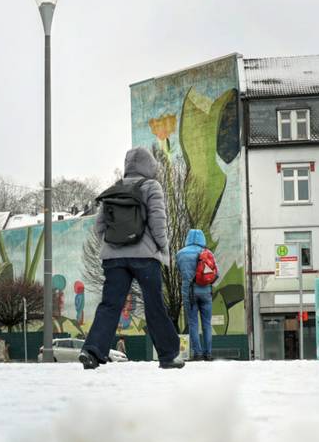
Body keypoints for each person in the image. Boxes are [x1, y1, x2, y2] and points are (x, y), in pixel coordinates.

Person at [80, 147, 183, 369]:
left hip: (113, 259)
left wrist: (113, 247)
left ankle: (92, 351)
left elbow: (99, 227)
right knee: (154, 304)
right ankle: (168, 356)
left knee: (110, 305)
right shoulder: (151, 186)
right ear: (149, 166)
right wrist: (163, 248)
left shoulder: (114, 189)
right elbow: (158, 222)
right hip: (145, 257)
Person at [176, 228, 218, 361]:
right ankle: (208, 353)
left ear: (188, 238)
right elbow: (216, 274)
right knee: (207, 323)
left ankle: (197, 353)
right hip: (206, 292)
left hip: (189, 293)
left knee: (193, 323)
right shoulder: (208, 253)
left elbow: (180, 272)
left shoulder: (180, 254)